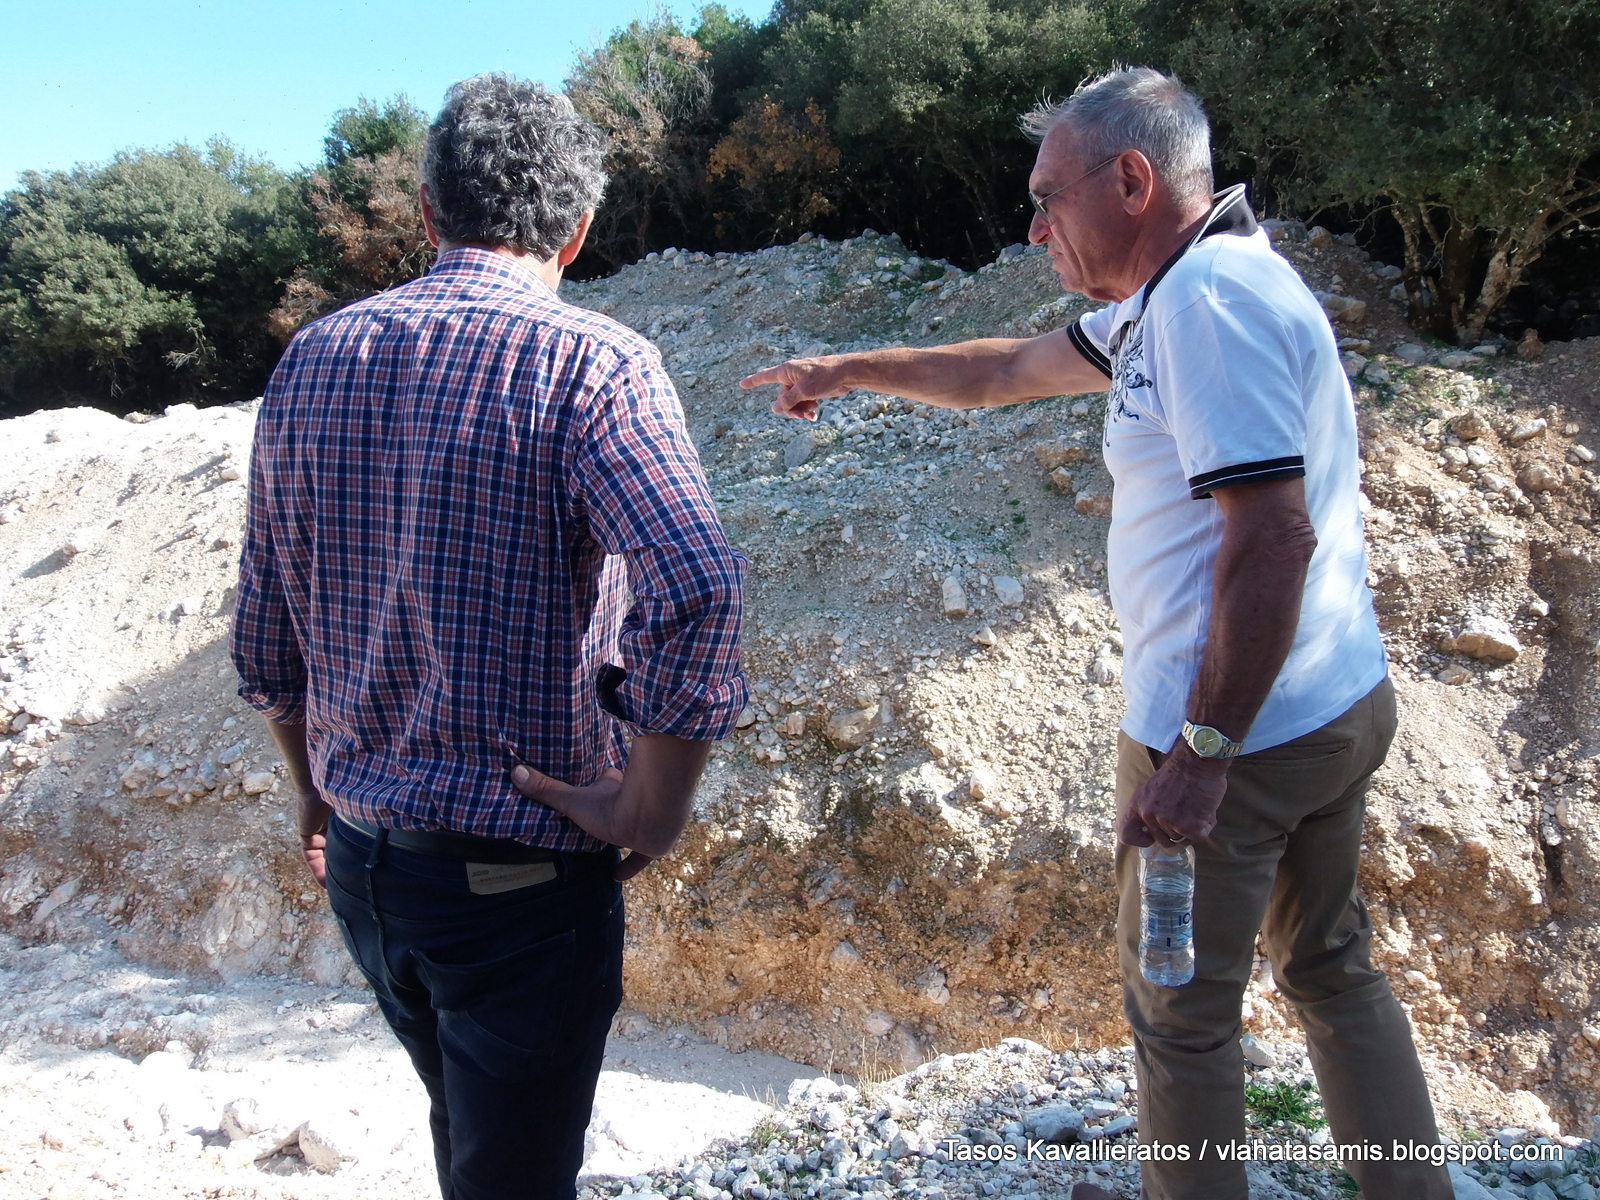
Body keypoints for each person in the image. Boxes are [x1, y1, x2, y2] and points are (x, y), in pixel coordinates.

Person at [742, 67, 1451, 1200]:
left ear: (1131, 180)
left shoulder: (1205, 306)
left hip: (1236, 739)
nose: (1035, 229)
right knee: (1331, 970)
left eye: (1047, 197)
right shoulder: (1177, 295)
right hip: (1327, 700)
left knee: (1180, 1019)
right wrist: (847, 369)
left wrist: (1200, 756)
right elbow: (1004, 369)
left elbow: (1273, 540)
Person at [230, 74, 747, 1200]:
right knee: (511, 1166)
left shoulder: (312, 360)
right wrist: (652, 807)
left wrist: (314, 789)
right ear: (580, 229)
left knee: (466, 1133)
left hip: (368, 869)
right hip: (521, 887)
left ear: (427, 212)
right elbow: (698, 584)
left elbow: (268, 632)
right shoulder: (595, 366)